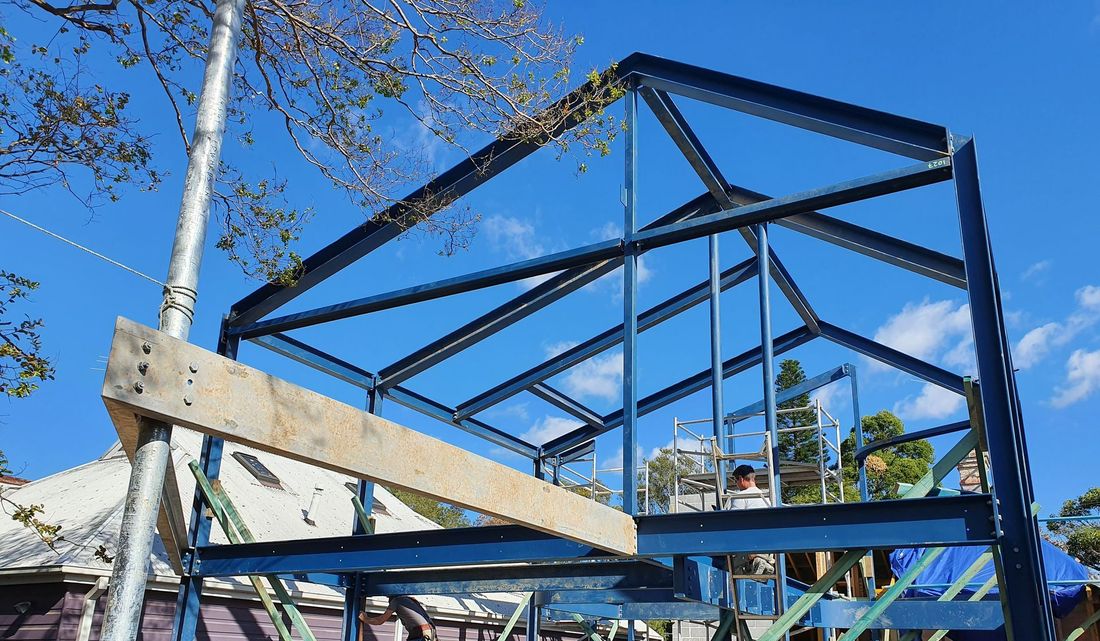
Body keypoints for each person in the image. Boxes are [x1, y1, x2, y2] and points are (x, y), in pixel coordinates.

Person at [727, 465, 775, 577]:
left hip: (748, 551)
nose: (736, 484)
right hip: (767, 551)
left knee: (725, 568)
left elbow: (732, 524)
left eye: (736, 480)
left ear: (741, 478)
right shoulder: (767, 497)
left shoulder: (740, 497)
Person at [360, 595, 436, 641]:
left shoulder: (396, 601)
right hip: (429, 631)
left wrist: (365, 618)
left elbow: (379, 620)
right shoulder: (410, 599)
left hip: (421, 633)